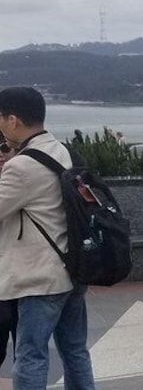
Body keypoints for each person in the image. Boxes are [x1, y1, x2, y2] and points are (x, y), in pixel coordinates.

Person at [0, 87, 96, 388]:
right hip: (73, 270)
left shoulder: (22, 166)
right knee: (75, 351)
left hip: (40, 279)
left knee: (30, 356)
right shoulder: (63, 151)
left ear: (13, 120)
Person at [0, 132, 17, 370]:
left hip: (20, 277)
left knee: (26, 351)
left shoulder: (21, 180)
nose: (2, 153)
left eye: (6, 148)